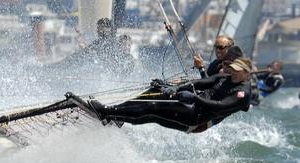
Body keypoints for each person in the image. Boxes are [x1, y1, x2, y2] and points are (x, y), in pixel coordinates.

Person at [68, 57, 254, 133]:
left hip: (196, 116)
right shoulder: (225, 76)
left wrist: (194, 98)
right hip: (191, 104)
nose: (234, 72)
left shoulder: (242, 93)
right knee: (154, 94)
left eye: (238, 71)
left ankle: (107, 112)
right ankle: (117, 114)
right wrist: (176, 89)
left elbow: (219, 106)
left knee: (153, 109)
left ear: (247, 72)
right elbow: (198, 83)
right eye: (233, 69)